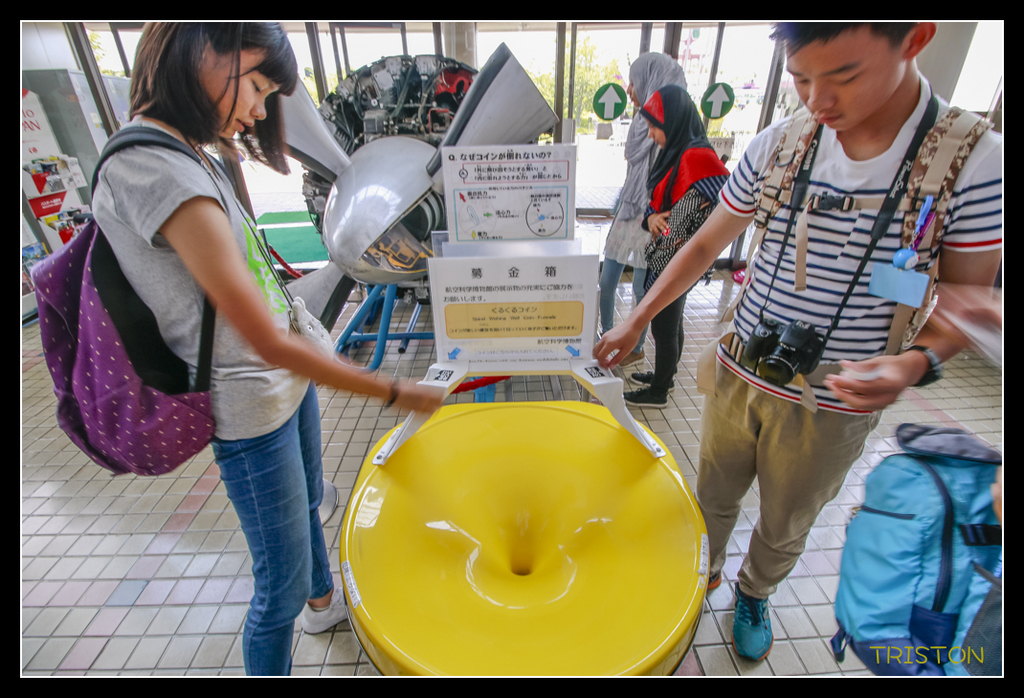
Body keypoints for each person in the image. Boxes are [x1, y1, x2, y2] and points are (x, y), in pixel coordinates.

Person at [593, 22, 1002, 661]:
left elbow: (966, 297)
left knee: (788, 516)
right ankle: (703, 570)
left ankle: (755, 591)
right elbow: (705, 243)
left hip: (838, 397)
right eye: (802, 78)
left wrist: (912, 365)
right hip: (739, 371)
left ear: (915, 39)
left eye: (843, 75)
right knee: (712, 493)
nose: (818, 100)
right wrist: (640, 315)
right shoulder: (779, 144)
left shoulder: (970, 162)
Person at [91, 23, 443, 675]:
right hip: (247, 405)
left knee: (311, 499)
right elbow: (258, 334)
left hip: (283, 386)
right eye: (256, 84)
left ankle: (323, 600)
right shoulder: (149, 165)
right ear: (203, 51)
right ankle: (293, 619)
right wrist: (394, 389)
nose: (259, 109)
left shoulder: (194, 152)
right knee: (272, 591)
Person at [622, 84, 730, 407]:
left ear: (674, 123)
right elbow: (659, 204)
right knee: (673, 321)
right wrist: (652, 220)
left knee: (664, 325)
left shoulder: (697, 156)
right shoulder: (679, 152)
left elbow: (713, 208)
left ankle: (659, 391)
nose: (653, 134)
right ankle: (663, 378)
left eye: (656, 127)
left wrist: (675, 233)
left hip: (677, 258)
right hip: (669, 253)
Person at [599, 52, 688, 368]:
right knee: (607, 280)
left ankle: (635, 348)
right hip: (629, 211)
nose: (629, 91)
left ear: (652, 83)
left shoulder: (675, 129)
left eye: (633, 83)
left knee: (641, 286)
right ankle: (606, 335)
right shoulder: (642, 121)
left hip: (653, 215)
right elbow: (633, 161)